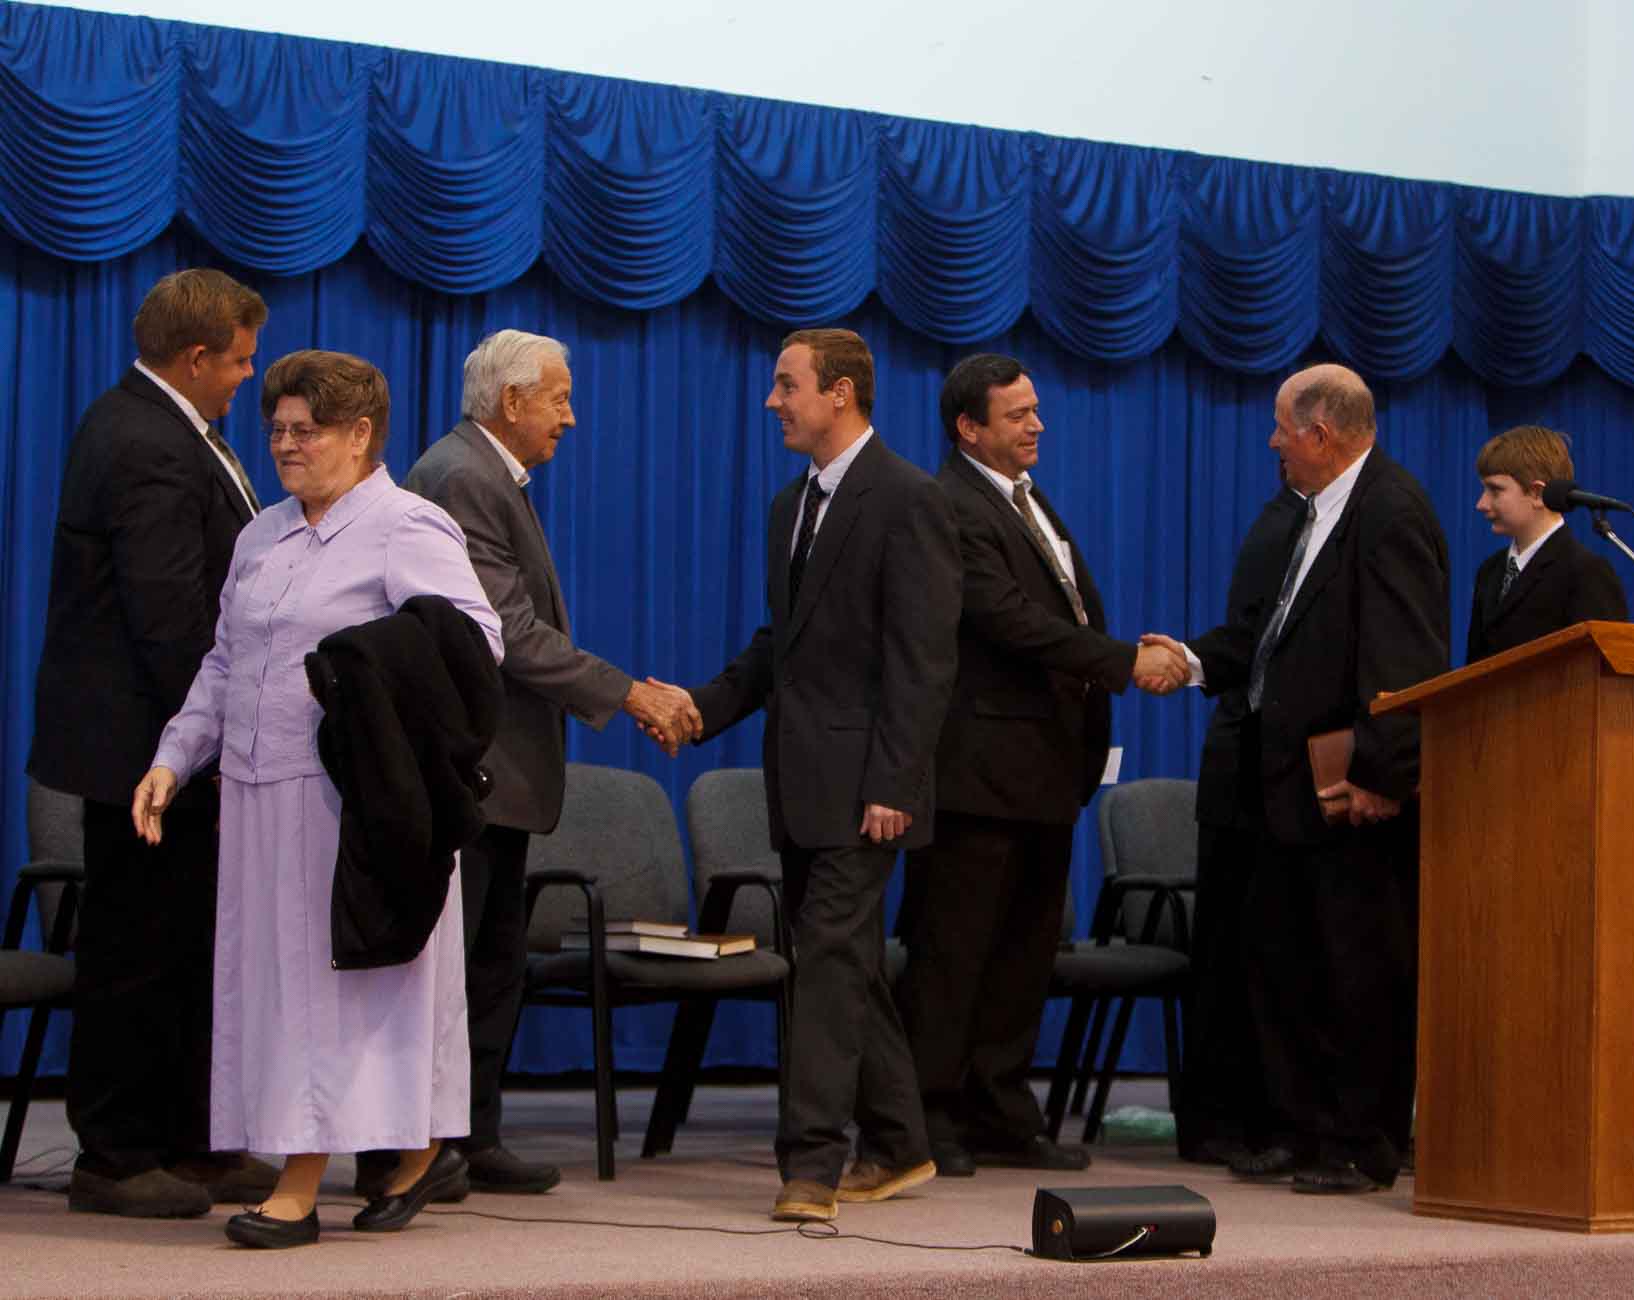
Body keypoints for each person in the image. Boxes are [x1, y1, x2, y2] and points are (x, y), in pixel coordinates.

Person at [130, 350, 503, 1249]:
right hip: (258, 796)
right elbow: (225, 662)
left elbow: (473, 643)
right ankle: (415, 1147)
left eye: (307, 431)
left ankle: (300, 1185)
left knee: (331, 994)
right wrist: (174, 757)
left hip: (356, 798)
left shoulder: (406, 526)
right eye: (278, 431)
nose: (286, 446)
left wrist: (363, 669)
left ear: (361, 435)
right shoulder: (261, 535)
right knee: (276, 990)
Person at [378, 330, 699, 1200]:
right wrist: (629, 693)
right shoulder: (462, 478)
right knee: (447, 974)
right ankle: (418, 1147)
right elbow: (508, 634)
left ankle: (468, 1137)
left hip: (497, 777)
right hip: (468, 771)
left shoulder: (483, 474)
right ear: (510, 401)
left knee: (490, 967)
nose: (570, 416)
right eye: (557, 397)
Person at [674, 328, 960, 1222]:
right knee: (844, 965)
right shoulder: (789, 503)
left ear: (840, 393)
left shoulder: (908, 499)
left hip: (867, 789)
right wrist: (700, 707)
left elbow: (923, 662)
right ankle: (902, 1144)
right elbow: (781, 648)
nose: (772, 402)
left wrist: (894, 785)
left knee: (827, 969)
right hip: (801, 781)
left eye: (785, 385)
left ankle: (809, 1165)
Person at [1146, 364, 1449, 1194]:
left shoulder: (1390, 510)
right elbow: (1271, 637)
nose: (1273, 441)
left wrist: (1385, 772)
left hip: (1349, 789)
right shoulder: (1308, 513)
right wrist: (1196, 660)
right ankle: (1300, 1127)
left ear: (1319, 433)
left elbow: (1405, 654)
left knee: (1357, 970)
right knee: (1286, 966)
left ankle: (1362, 1140)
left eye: (1283, 427)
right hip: (1280, 785)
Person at [894, 353, 1186, 1179]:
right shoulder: (947, 503)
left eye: (1035, 411)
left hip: (1044, 770)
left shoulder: (1024, 499)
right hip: (975, 771)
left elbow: (1058, 608)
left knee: (1023, 956)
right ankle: (929, 1115)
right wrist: (1123, 661)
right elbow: (1006, 619)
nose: (1036, 425)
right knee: (953, 954)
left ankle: (999, 1110)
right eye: (1017, 414)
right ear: (968, 427)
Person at [27, 268, 279, 1217]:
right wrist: (220, 724)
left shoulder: (166, 428)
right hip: (146, 749)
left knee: (186, 947)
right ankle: (118, 1154)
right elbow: (170, 616)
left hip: (171, 746)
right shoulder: (145, 441)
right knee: (138, 947)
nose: (249, 378)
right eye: (243, 360)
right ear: (197, 355)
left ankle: (188, 1137)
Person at [1173, 476, 1304, 1167]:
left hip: (1260, 772)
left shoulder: (1290, 519)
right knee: (1240, 955)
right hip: (1248, 776)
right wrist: (1193, 662)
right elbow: (1254, 638)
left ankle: (1239, 1119)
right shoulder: (1285, 521)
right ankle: (1237, 1119)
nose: (1272, 448)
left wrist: (1188, 662)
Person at [1465, 424, 1627, 662]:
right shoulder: (1490, 572)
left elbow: (1599, 671)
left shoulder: (1586, 573)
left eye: (1495, 490)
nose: (1482, 503)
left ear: (1537, 493)